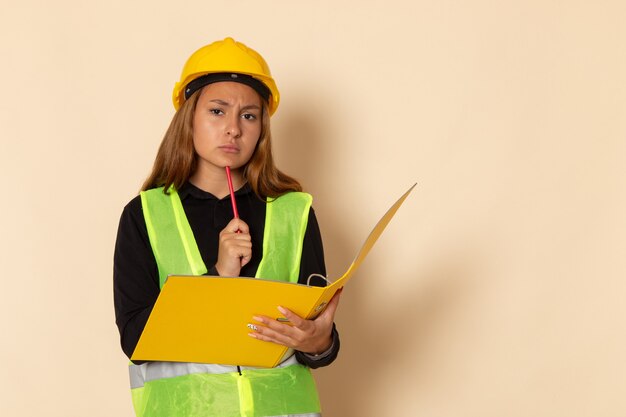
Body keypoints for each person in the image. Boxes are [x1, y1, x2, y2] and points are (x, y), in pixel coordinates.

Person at [113, 37, 341, 417]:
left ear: (261, 129)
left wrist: (321, 343)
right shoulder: (144, 215)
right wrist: (218, 275)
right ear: (189, 117)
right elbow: (135, 340)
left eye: (248, 115)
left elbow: (316, 341)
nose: (233, 129)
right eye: (218, 111)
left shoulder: (294, 212)